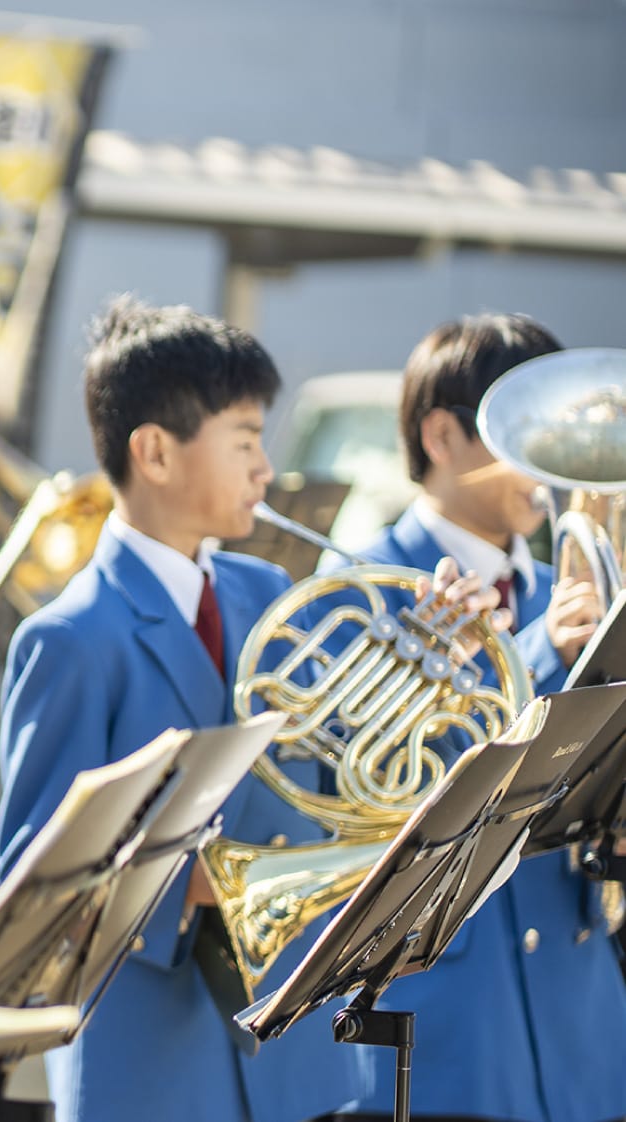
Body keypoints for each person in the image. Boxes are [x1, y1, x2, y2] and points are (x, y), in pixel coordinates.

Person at [0, 298, 367, 1122]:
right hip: (151, 1067)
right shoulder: (69, 637)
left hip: (291, 1054)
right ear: (156, 452)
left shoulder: (269, 593)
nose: (265, 469)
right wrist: (187, 883)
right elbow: (34, 882)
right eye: (244, 441)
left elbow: (332, 761)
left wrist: (432, 645)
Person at [318, 314, 626, 1122]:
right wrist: (545, 653)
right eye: (524, 430)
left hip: (581, 1016)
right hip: (449, 1019)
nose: (550, 461)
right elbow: (369, 791)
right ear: (442, 436)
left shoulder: (572, 582)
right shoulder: (360, 586)